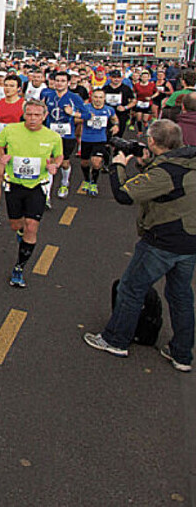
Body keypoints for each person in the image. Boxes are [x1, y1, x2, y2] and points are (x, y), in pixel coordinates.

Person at [84, 119, 196, 372]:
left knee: (131, 288)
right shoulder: (188, 160)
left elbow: (125, 194)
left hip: (163, 240)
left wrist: (118, 165)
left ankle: (116, 339)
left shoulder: (166, 172)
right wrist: (148, 164)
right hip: (190, 241)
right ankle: (182, 354)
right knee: (181, 296)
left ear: (152, 141)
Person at [0, 100, 64, 287]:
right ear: (24, 114)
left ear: (44, 116)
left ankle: (19, 267)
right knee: (16, 224)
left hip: (38, 185)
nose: (33, 119)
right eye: (29, 114)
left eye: (37, 115)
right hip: (14, 184)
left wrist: (55, 165)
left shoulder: (53, 136)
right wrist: (1, 156)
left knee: (32, 226)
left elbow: (59, 155)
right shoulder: (11, 130)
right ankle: (21, 231)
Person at [40, 71, 85, 200]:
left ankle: (64, 183)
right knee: (49, 162)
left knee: (64, 163)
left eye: (63, 81)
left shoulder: (74, 97)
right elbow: (41, 111)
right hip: (50, 135)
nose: (59, 83)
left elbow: (87, 114)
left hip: (67, 136)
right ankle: (47, 194)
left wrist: (73, 114)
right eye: (57, 81)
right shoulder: (48, 95)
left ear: (68, 83)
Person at [0, 75, 25, 226]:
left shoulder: (24, 105)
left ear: (18, 89)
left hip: (17, 147)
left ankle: (19, 210)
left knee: (16, 179)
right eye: (6, 85)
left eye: (12, 86)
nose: (8, 88)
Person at [76, 88, 119, 196]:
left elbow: (114, 119)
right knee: (84, 163)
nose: (98, 100)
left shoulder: (109, 110)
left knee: (96, 162)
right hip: (86, 139)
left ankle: (94, 183)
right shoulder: (85, 108)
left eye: (100, 97)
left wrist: (116, 125)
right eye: (95, 97)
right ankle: (87, 180)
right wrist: (86, 118)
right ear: (91, 97)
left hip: (100, 139)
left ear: (104, 99)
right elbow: (75, 119)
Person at [132, 69, 157, 134]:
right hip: (139, 102)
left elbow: (157, 92)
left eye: (146, 77)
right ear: (140, 77)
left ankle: (146, 125)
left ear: (148, 78)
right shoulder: (137, 85)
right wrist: (135, 98)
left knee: (145, 119)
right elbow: (134, 92)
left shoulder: (152, 85)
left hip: (148, 103)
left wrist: (151, 97)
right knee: (138, 118)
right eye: (143, 77)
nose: (144, 78)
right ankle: (140, 131)